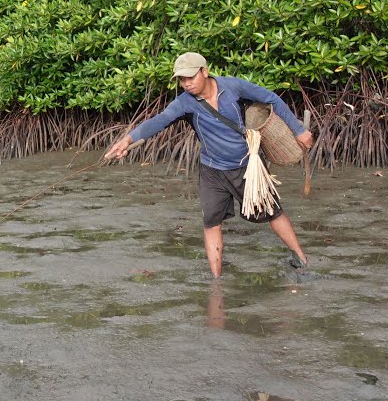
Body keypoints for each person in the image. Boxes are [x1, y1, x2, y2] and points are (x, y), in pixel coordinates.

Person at [104, 52, 314, 279]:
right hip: (212, 171)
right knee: (211, 223)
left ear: (204, 71)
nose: (186, 84)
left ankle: (301, 259)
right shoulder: (185, 102)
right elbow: (160, 121)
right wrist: (128, 140)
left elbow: (271, 98)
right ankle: (216, 281)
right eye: (181, 80)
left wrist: (298, 130)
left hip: (247, 166)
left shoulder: (232, 87)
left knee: (273, 212)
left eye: (190, 77)